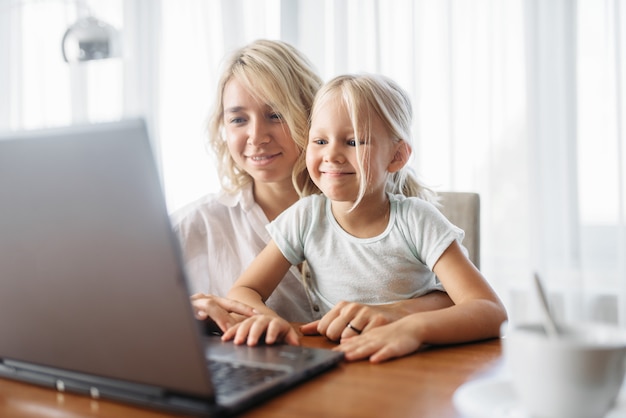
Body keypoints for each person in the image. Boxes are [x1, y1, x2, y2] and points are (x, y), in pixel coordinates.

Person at [172, 40, 454, 334]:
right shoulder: (192, 225)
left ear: (312, 115)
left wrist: (394, 312)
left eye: (275, 115)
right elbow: (130, 313)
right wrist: (183, 312)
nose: (256, 136)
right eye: (238, 119)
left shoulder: (386, 203)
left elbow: (462, 301)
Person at [223, 74, 507, 362]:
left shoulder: (417, 221)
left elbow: (489, 309)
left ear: (397, 156)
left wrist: (411, 328)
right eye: (320, 140)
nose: (331, 154)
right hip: (341, 363)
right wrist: (267, 319)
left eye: (354, 141)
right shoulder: (305, 218)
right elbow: (244, 290)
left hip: (413, 365)